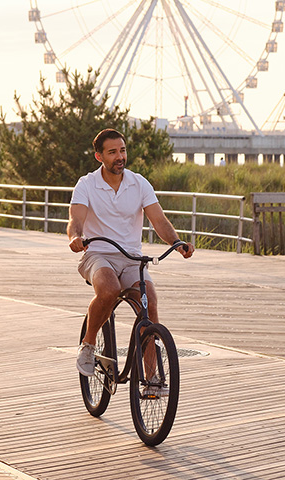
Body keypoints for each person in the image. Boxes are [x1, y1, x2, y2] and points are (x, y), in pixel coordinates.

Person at [67, 128, 194, 376]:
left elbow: (159, 220)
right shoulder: (87, 185)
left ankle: (151, 377)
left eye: (122, 150)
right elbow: (76, 219)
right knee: (109, 290)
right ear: (99, 157)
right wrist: (75, 238)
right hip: (98, 254)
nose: (120, 157)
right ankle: (88, 344)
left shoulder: (139, 183)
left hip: (132, 258)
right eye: (112, 152)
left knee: (150, 305)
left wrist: (177, 243)